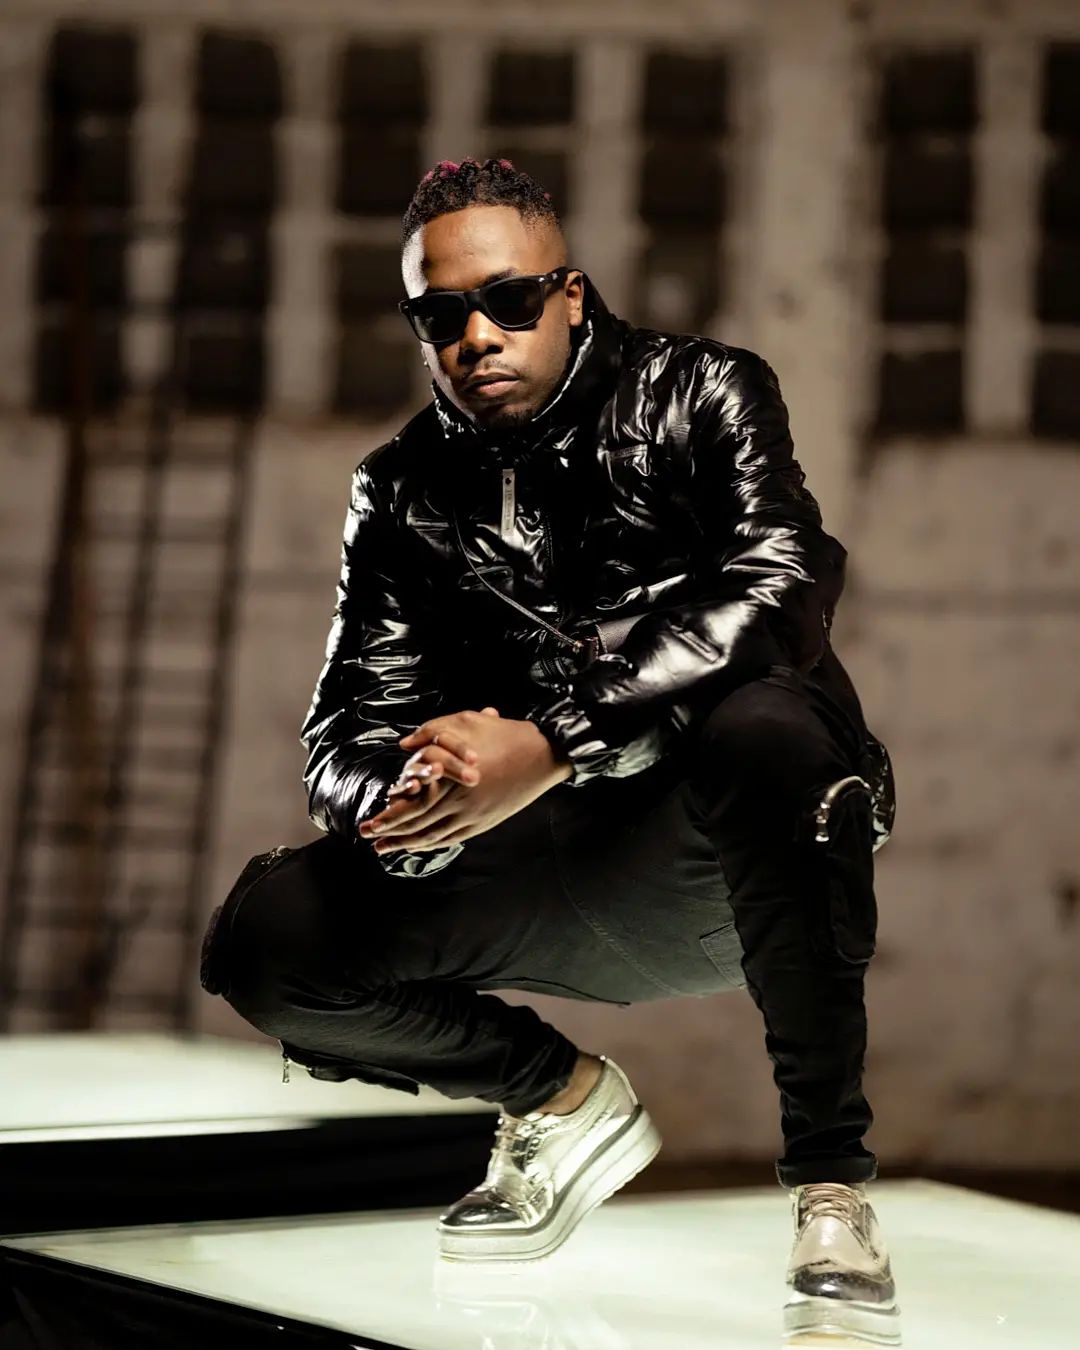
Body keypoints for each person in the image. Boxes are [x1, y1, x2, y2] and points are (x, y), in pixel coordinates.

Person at [213, 156, 900, 1341]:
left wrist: (557, 739)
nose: (477, 336)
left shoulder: (703, 391)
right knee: (267, 938)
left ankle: (832, 1188)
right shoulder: (398, 490)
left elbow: (784, 582)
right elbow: (343, 730)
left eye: (509, 300)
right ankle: (560, 1101)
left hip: (725, 855)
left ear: (570, 295)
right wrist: (417, 793)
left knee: (769, 726)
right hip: (542, 861)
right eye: (441, 316)